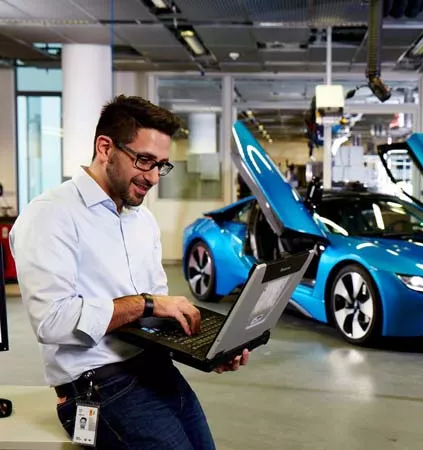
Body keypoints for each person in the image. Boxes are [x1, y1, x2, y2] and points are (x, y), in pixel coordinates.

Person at [9, 95, 250, 449]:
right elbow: (51, 321)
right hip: (94, 389)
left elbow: (157, 314)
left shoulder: (142, 221)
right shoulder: (50, 215)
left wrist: (206, 352)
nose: (153, 177)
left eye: (162, 165)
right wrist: (146, 304)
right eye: (144, 160)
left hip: (153, 369)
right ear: (105, 148)